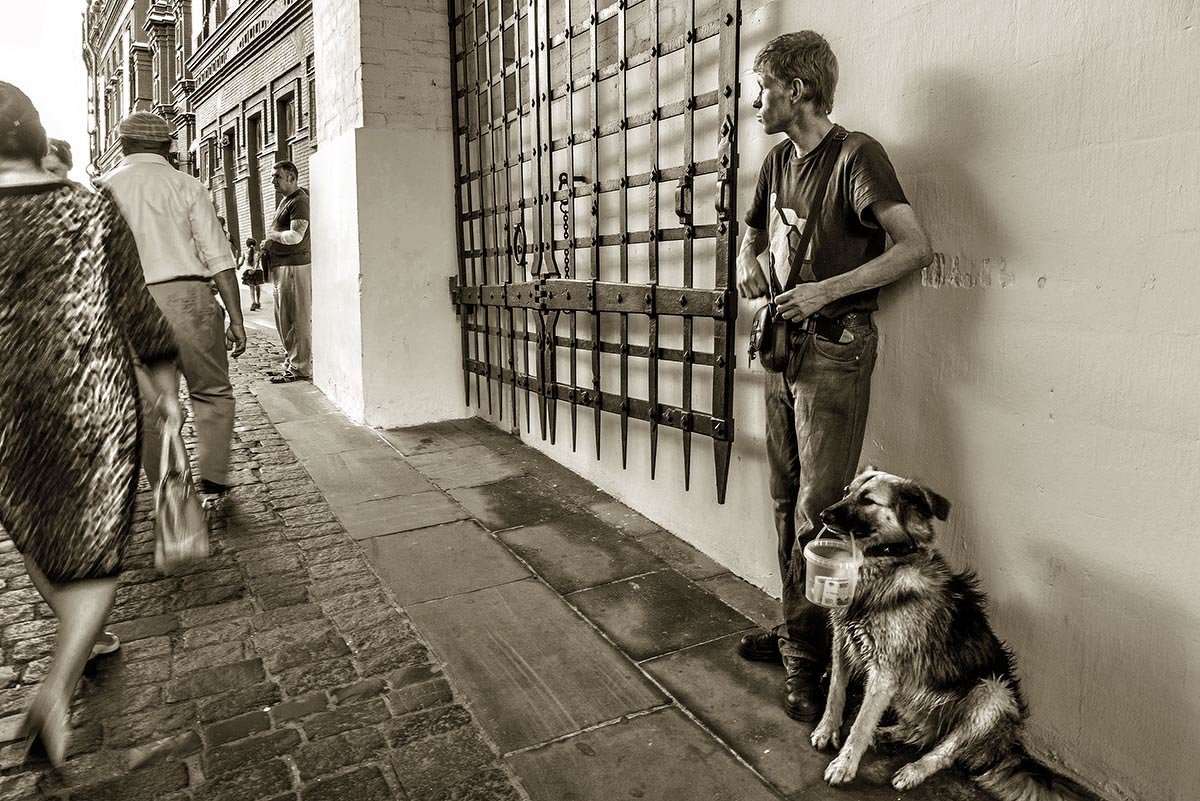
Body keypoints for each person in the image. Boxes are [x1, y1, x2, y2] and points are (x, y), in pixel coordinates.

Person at [734, 32, 934, 721]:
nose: (754, 99)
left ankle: (812, 660)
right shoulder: (774, 162)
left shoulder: (856, 156)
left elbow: (915, 246)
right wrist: (747, 264)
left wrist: (824, 291)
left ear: (796, 89)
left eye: (763, 87)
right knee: (786, 501)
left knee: (822, 517)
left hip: (835, 351)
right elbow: (751, 234)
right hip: (784, 352)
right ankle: (799, 630)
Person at [0, 83, 183, 765]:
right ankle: (60, 679)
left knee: (33, 527)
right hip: (92, 398)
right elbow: (134, 305)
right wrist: (165, 386)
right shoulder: (86, 205)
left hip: (5, 414)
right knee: (96, 539)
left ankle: (74, 656)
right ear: (32, 136)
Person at [97, 112, 247, 498]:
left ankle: (172, 488)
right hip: (190, 298)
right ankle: (214, 475)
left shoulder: (102, 190)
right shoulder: (187, 185)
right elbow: (219, 257)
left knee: (149, 406)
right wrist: (236, 319)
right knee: (212, 389)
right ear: (167, 146)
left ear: (124, 145)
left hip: (132, 303)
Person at [262, 160, 311, 383]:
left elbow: (295, 236)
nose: (273, 181)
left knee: (295, 318)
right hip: (282, 266)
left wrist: (271, 237)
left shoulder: (299, 201)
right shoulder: (287, 200)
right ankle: (291, 363)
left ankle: (299, 367)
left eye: (277, 177)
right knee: (284, 318)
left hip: (294, 266)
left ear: (291, 177)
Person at [240, 237, 264, 310]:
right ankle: (258, 302)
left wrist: (237, 266)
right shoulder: (258, 253)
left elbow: (241, 263)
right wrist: (254, 269)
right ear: (255, 244)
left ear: (247, 245)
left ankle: (253, 302)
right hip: (257, 271)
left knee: (251, 287)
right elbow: (257, 262)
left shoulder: (244, 253)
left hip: (249, 271)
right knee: (258, 286)